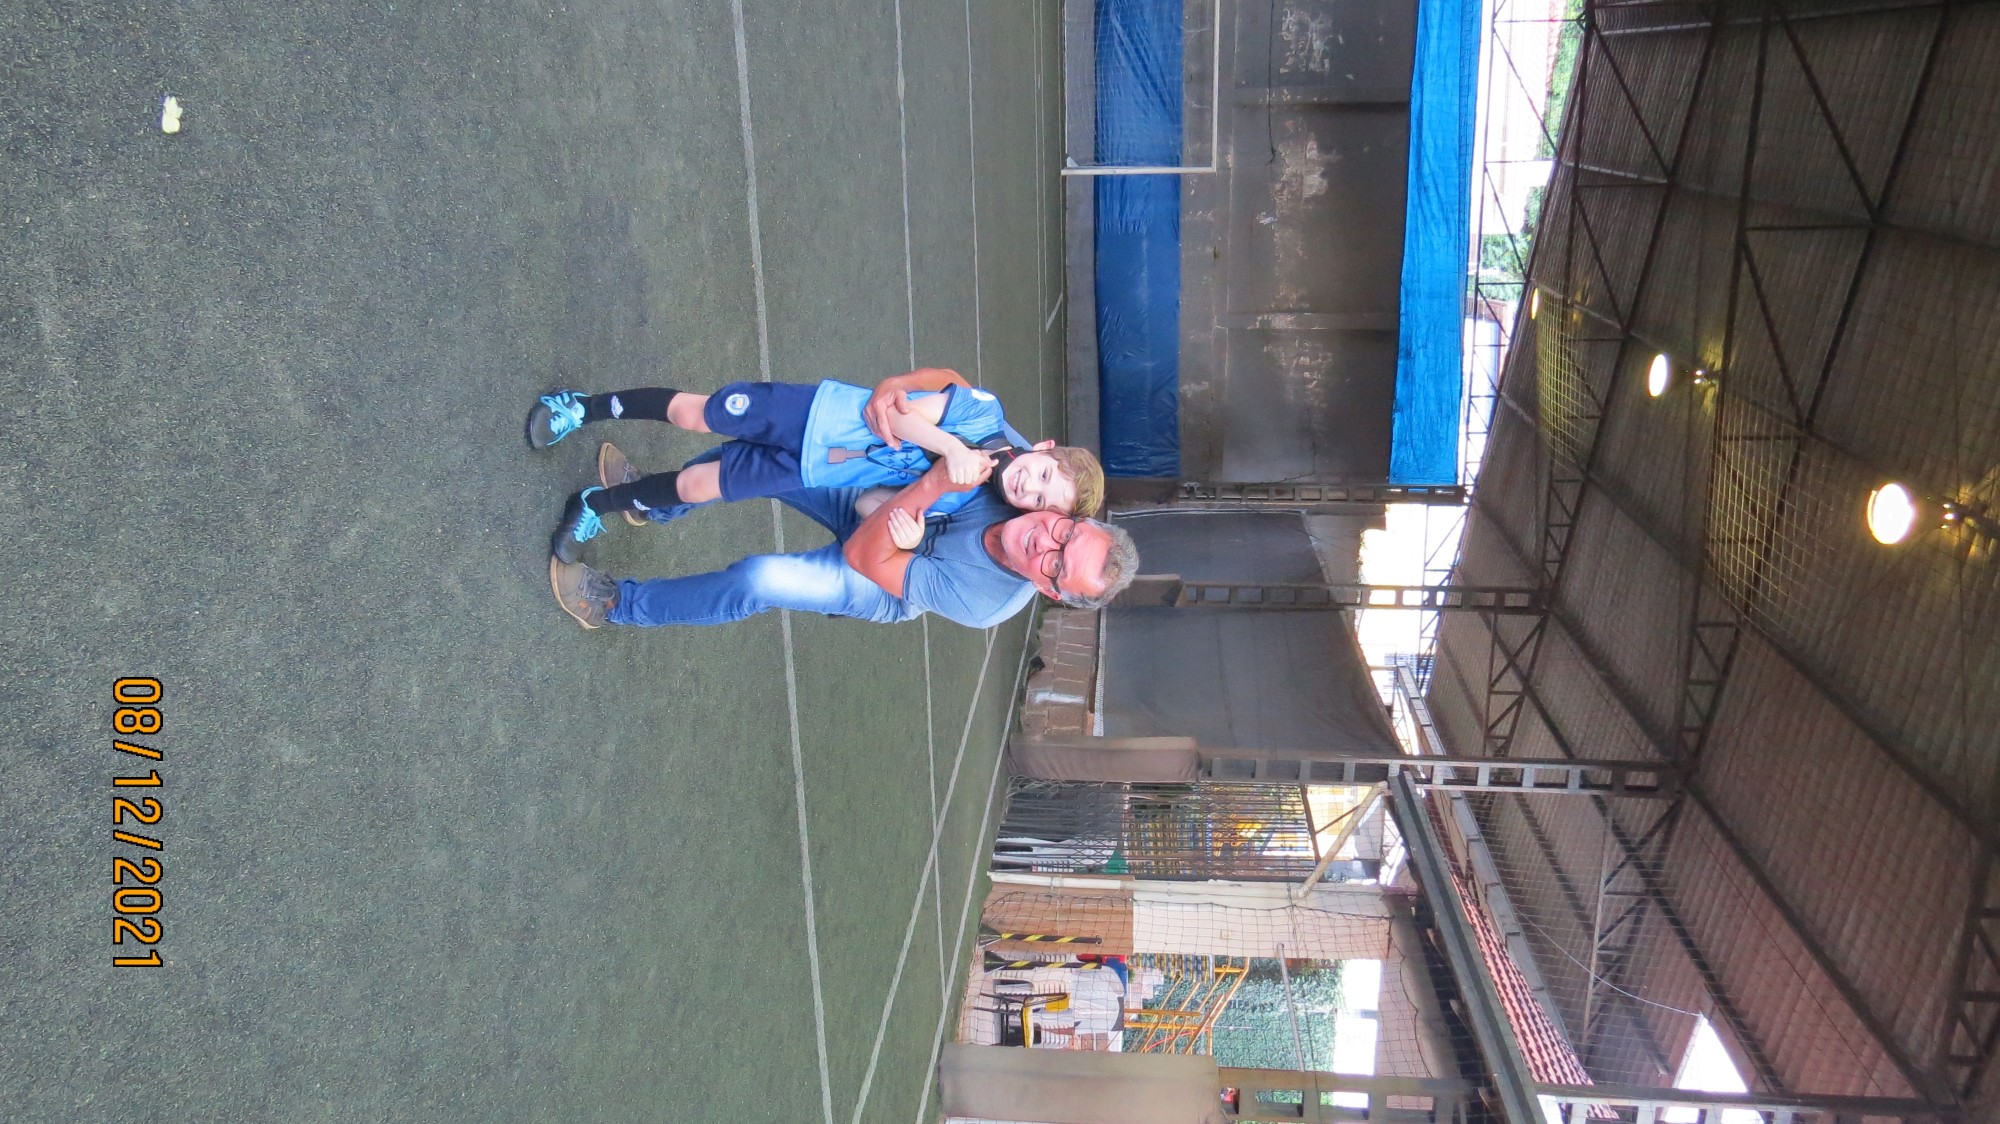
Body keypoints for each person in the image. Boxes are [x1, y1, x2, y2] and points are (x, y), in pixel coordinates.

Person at [526, 368, 1104, 562]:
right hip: (814, 416)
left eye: (1040, 500)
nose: (1030, 487)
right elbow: (896, 413)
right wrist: (950, 450)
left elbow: (867, 503)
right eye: (1044, 475)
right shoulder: (984, 417)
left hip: (815, 471)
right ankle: (581, 408)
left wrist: (909, 519)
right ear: (1044, 447)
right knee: (694, 415)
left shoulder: (967, 496)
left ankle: (594, 505)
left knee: (698, 486)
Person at [547, 454, 1139, 630]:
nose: (1044, 542)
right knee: (769, 460)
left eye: (1056, 565)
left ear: (1049, 591)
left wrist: (929, 489)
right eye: (1065, 532)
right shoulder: (1030, 486)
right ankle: (653, 501)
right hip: (884, 503)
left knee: (759, 578)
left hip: (882, 579)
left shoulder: (987, 602)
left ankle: (618, 604)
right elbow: (960, 394)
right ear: (1072, 515)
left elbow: (866, 556)